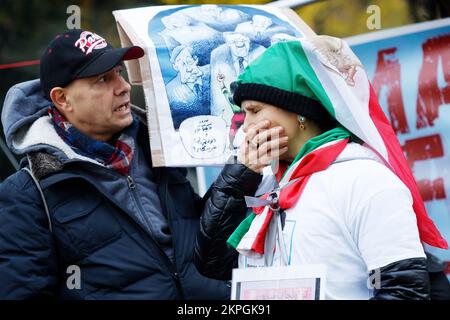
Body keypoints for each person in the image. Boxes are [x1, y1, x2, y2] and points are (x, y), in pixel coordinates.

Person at [194, 36, 449, 299]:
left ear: (298, 112)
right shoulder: (261, 181)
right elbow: (212, 263)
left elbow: (403, 290)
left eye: (255, 111)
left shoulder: (365, 179)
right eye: (243, 113)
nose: (246, 126)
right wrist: (239, 175)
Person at [0, 29, 231, 299]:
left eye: (119, 73)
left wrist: (240, 176)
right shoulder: (27, 195)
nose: (123, 87)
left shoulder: (158, 149)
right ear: (62, 99)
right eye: (103, 79)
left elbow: (204, 239)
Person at [166, 45, 211, 129]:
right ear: (175, 67)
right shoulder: (169, 90)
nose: (188, 69)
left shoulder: (212, 72)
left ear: (196, 60)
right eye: (182, 64)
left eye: (189, 62)